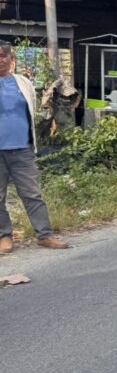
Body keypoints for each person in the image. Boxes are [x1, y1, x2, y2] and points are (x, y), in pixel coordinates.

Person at [0, 41, 68, 253]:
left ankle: (44, 235)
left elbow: (31, 111)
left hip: (22, 149)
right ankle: (5, 235)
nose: (0, 60)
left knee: (32, 194)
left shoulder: (23, 83)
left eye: (3, 56)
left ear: (12, 59)